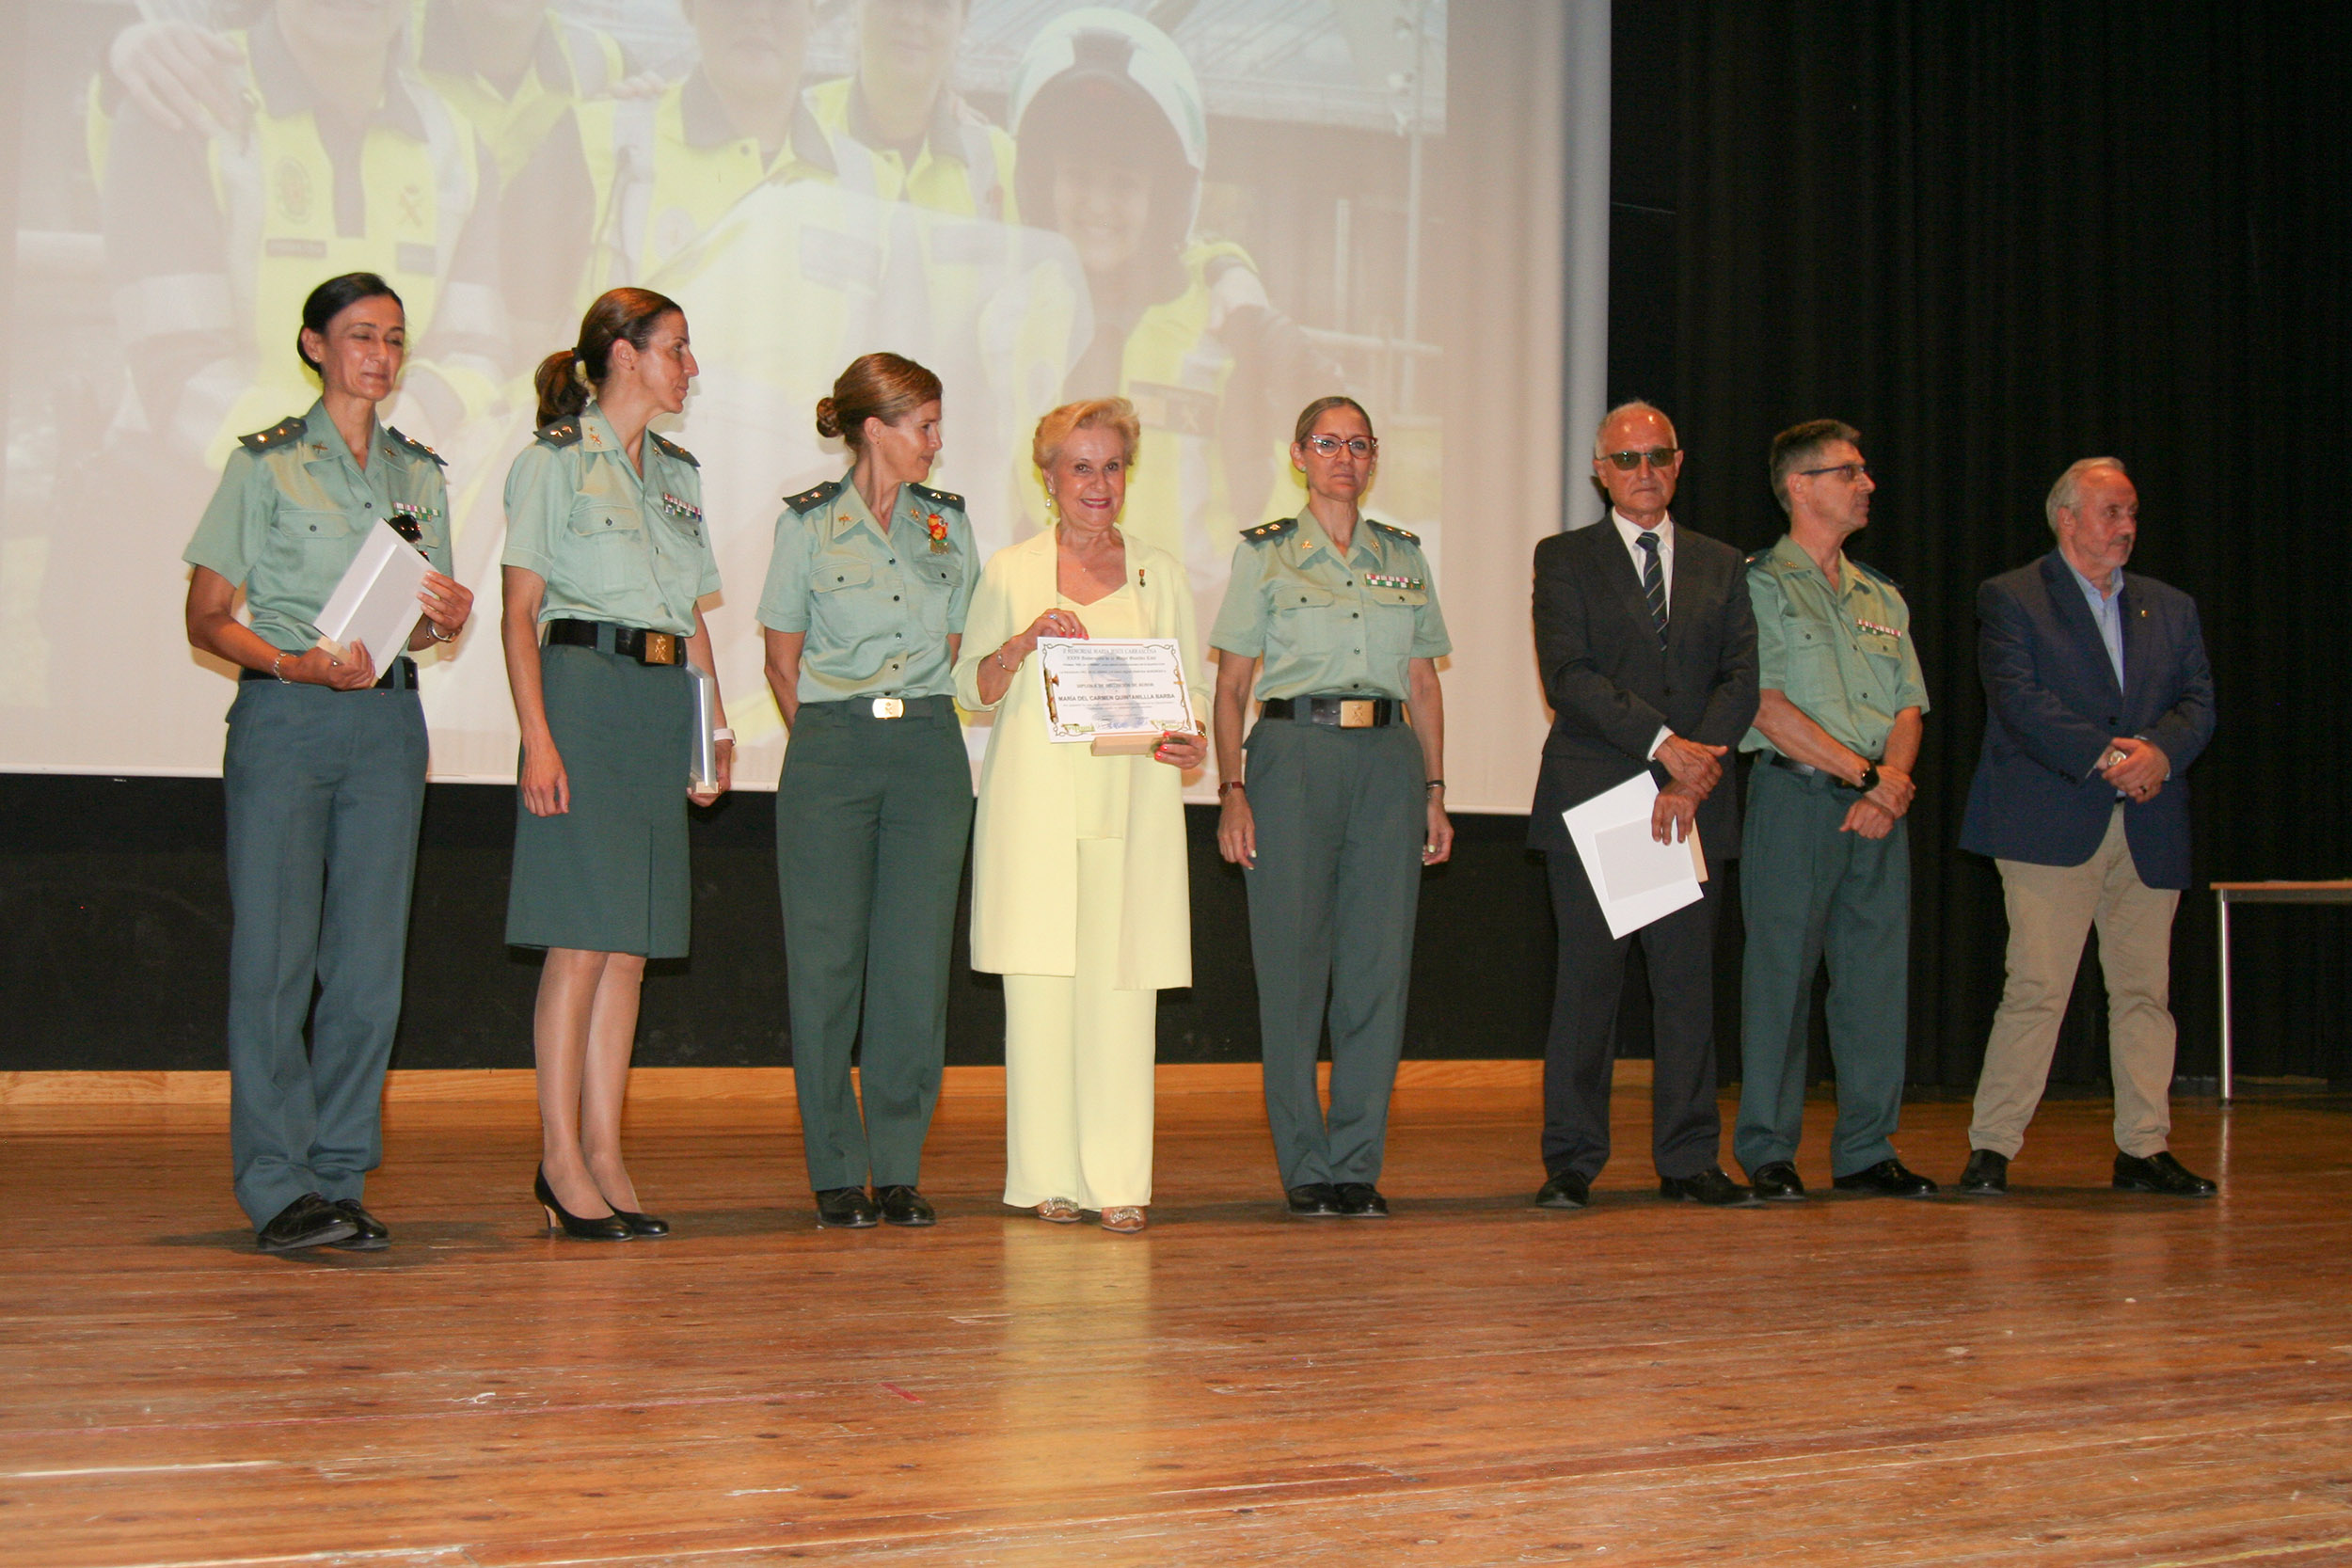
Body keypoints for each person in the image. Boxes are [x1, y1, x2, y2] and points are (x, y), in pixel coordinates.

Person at [181, 272, 475, 1253]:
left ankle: (339, 1176)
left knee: (367, 968)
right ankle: (277, 1185)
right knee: (275, 960)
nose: (380, 355)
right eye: (360, 335)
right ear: (314, 345)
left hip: (387, 726)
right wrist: (291, 662)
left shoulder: (419, 474)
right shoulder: (264, 464)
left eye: (394, 338)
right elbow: (206, 614)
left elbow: (419, 624)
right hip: (288, 717)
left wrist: (444, 620)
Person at [500, 287, 730, 1241]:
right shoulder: (552, 461)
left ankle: (605, 1151)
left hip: (658, 702)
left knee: (630, 947)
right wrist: (538, 736)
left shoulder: (678, 473)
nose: (690, 367)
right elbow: (519, 612)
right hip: (583, 694)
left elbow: (695, 617)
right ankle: (559, 1156)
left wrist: (711, 729)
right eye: (677, 348)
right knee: (580, 939)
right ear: (625, 355)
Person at [954, 398, 1207, 1234]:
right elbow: (970, 688)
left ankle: (1119, 1178)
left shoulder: (1160, 573)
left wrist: (1191, 736)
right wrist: (1021, 643)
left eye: (1113, 466)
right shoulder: (1010, 570)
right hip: (1036, 811)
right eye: (1082, 467)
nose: (1099, 484)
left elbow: (1192, 694)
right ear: (1049, 476)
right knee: (1039, 993)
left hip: (1131, 807)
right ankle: (1047, 1176)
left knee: (1123, 995)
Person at [1006, 8, 1337, 629]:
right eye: (1078, 177)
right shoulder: (1015, 321)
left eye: (1124, 184)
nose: (1098, 204)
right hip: (1060, 638)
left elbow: (1306, 493)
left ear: (1164, 196)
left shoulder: (1226, 328)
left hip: (1195, 643)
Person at [1208, 397, 1451, 1219]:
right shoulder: (1266, 554)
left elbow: (1423, 683)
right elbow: (1232, 685)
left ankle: (1356, 1164)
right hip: (1292, 757)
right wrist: (1232, 790)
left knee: (1377, 971)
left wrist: (1435, 790)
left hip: (1387, 761)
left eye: (1358, 444)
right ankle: (1306, 1167)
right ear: (1299, 455)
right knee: (1292, 970)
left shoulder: (1403, 557)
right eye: (1327, 443)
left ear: (1374, 457)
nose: (1344, 457)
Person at [1957, 459, 2217, 1196]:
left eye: (2132, 512)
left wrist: (2158, 753)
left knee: (2145, 994)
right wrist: (2111, 758)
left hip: (2149, 824)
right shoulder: (2012, 596)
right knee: (2037, 988)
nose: (2127, 526)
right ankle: (1993, 1146)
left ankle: (2144, 1147)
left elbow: (2199, 702)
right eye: (2111, 512)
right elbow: (2019, 700)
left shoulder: (2171, 606)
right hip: (2049, 822)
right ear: (2066, 518)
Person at [101, 0, 507, 469]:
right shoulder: (180, 105)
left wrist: (417, 418)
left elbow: (474, 351)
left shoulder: (456, 145)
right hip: (195, 489)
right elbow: (178, 373)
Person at [759, 355, 976, 1229]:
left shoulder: (947, 524)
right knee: (826, 966)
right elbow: (781, 660)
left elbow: (954, 645)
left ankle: (898, 1167)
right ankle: (837, 1169)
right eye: (924, 424)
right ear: (875, 429)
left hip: (927, 748)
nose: (936, 441)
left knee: (913, 967)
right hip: (832, 748)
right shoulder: (808, 525)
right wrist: (827, 740)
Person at [1526, 403, 1760, 1212]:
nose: (1644, 471)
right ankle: (1572, 1160)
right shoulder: (1564, 558)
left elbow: (1741, 679)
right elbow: (1570, 676)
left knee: (1688, 990)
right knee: (1587, 991)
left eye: (1658, 455)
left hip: (1694, 802)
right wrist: (1665, 745)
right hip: (1599, 797)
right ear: (1601, 472)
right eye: (1626, 459)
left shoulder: (1722, 563)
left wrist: (1691, 775)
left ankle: (1690, 1158)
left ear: (1679, 462)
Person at [1735, 420, 1936, 1199]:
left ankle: (1865, 1149)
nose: (1867, 483)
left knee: (1875, 983)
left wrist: (1891, 783)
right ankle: (1768, 1148)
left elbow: (1909, 705)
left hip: (1879, 808)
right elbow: (1765, 704)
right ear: (1800, 486)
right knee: (1780, 978)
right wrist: (1866, 776)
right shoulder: (1758, 584)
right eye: (1849, 471)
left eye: (1864, 470)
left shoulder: (1880, 594)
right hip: (1797, 799)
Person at [804, 0, 1018, 219]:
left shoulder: (1002, 166)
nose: (913, 19)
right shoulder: (794, 128)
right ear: (855, 7)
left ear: (961, 26)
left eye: (937, 5)